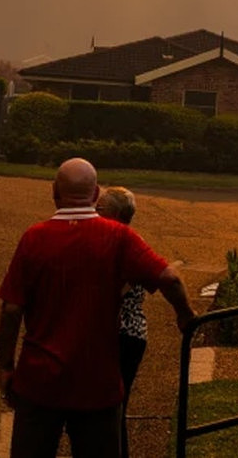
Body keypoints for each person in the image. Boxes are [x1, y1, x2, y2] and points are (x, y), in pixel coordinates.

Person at [0, 158, 196, 458]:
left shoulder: (33, 238)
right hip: (97, 381)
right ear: (94, 195)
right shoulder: (119, 238)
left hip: (40, 380)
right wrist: (185, 315)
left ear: (54, 192)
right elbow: (169, 278)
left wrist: (6, 366)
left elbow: (12, 310)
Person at [95, 186, 147, 458]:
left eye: (100, 208)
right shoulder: (112, 240)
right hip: (119, 334)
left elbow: (116, 290)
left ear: (114, 213)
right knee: (108, 408)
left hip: (124, 334)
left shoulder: (124, 243)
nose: (94, 211)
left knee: (113, 408)